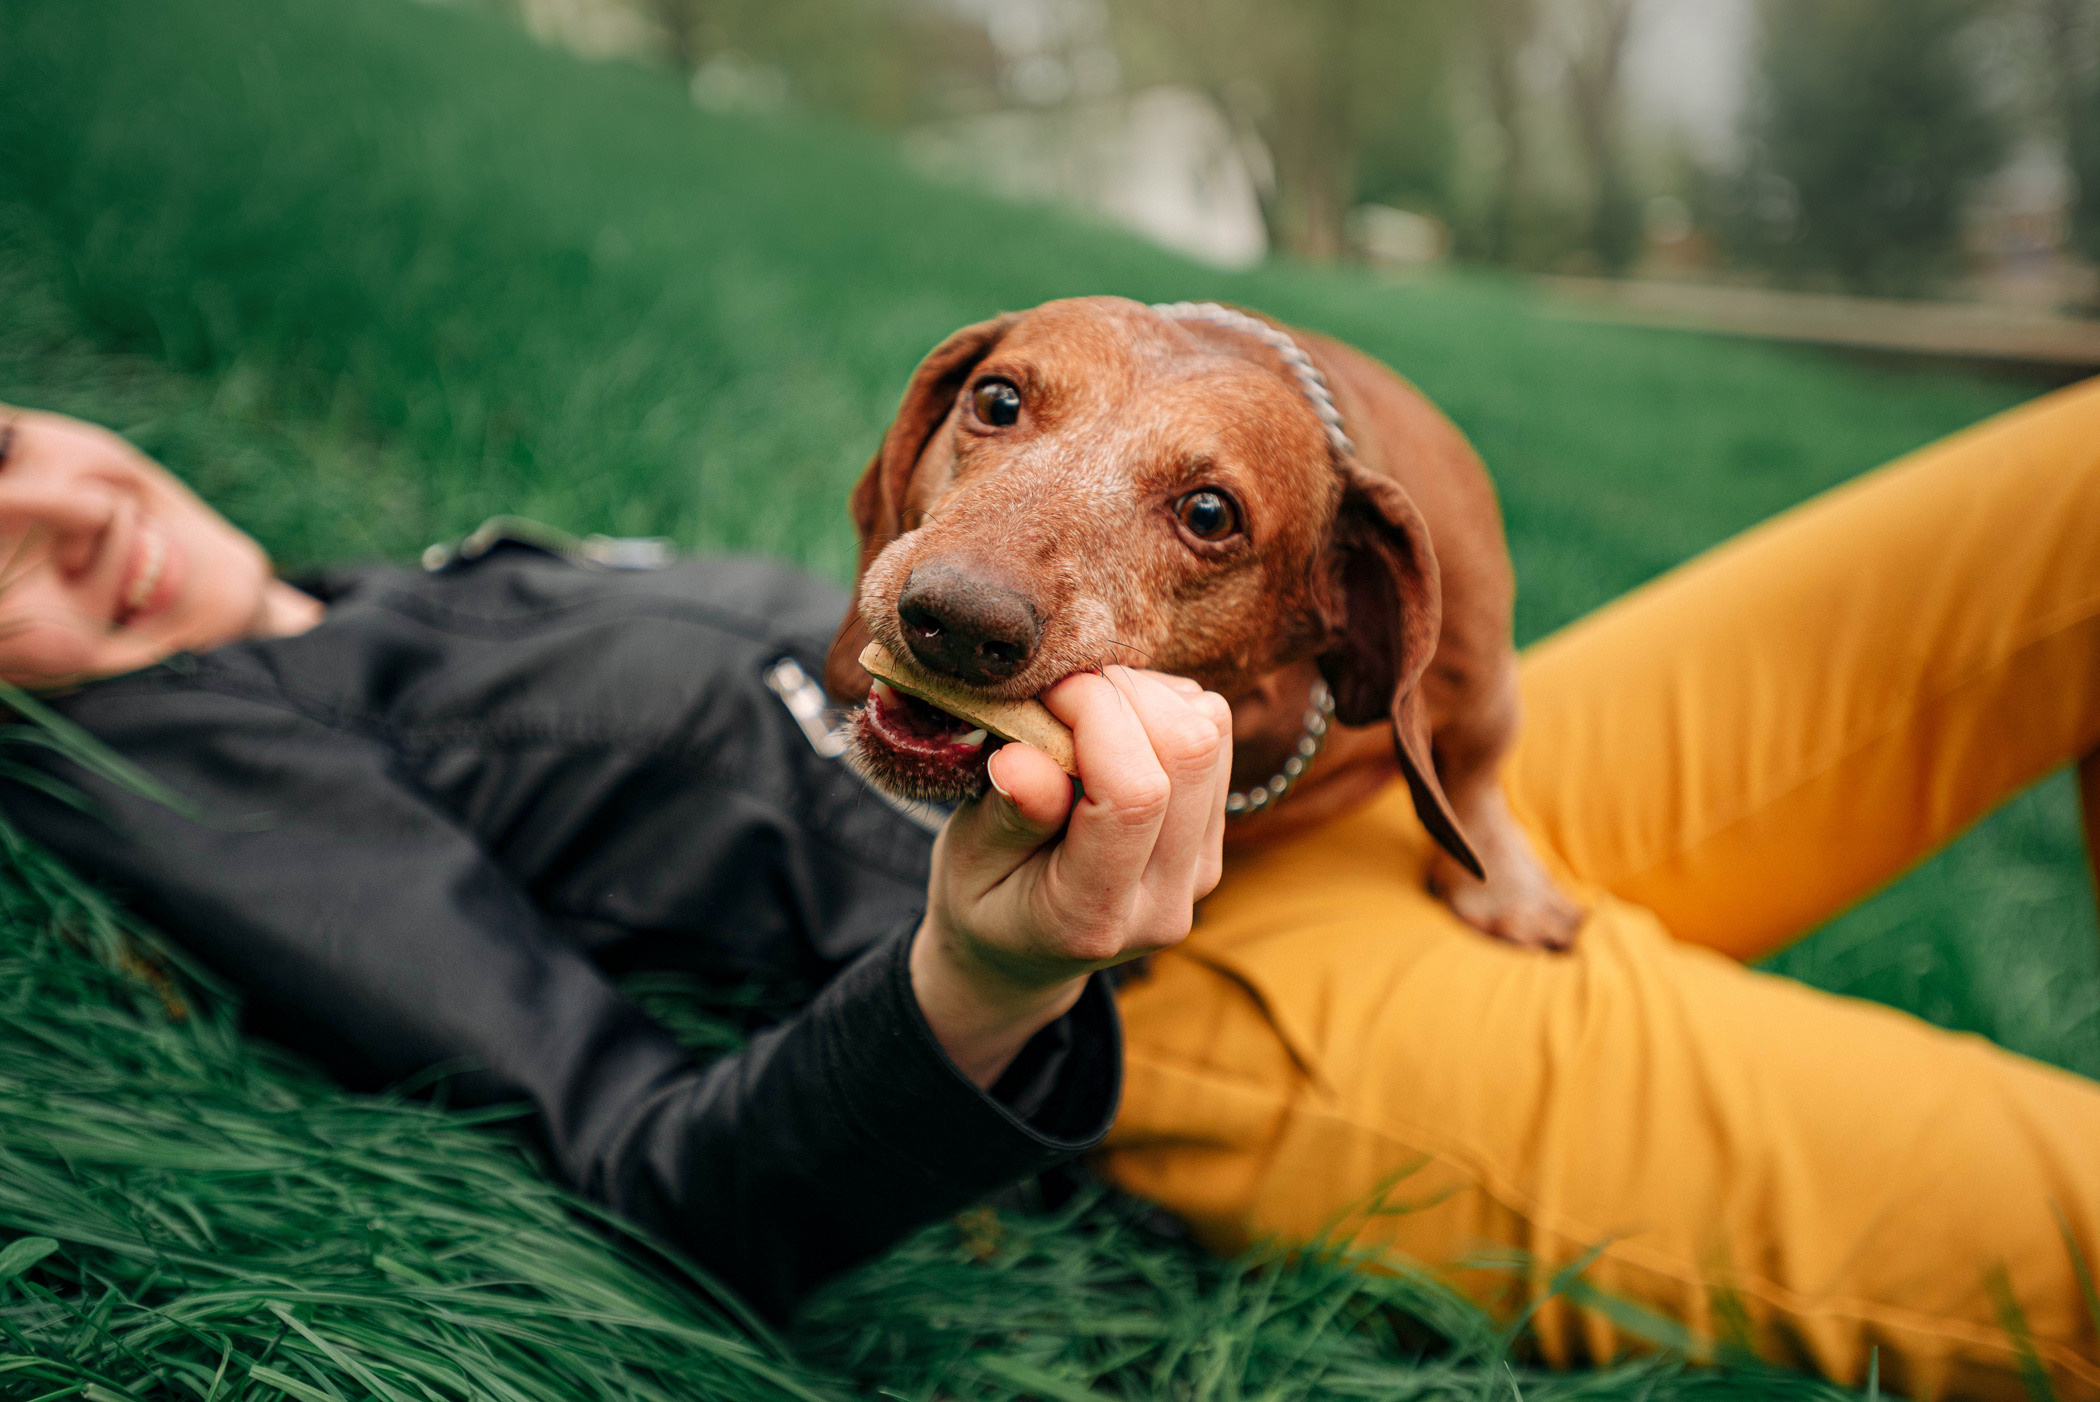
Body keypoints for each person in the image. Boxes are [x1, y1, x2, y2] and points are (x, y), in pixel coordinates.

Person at [1, 381, 2097, 1398]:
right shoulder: (194, 754)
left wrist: (1449, 737)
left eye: (10, 436)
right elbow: (649, 1169)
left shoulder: (420, 582)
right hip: (1210, 979)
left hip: (1417, 782)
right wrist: (995, 961)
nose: (56, 508)